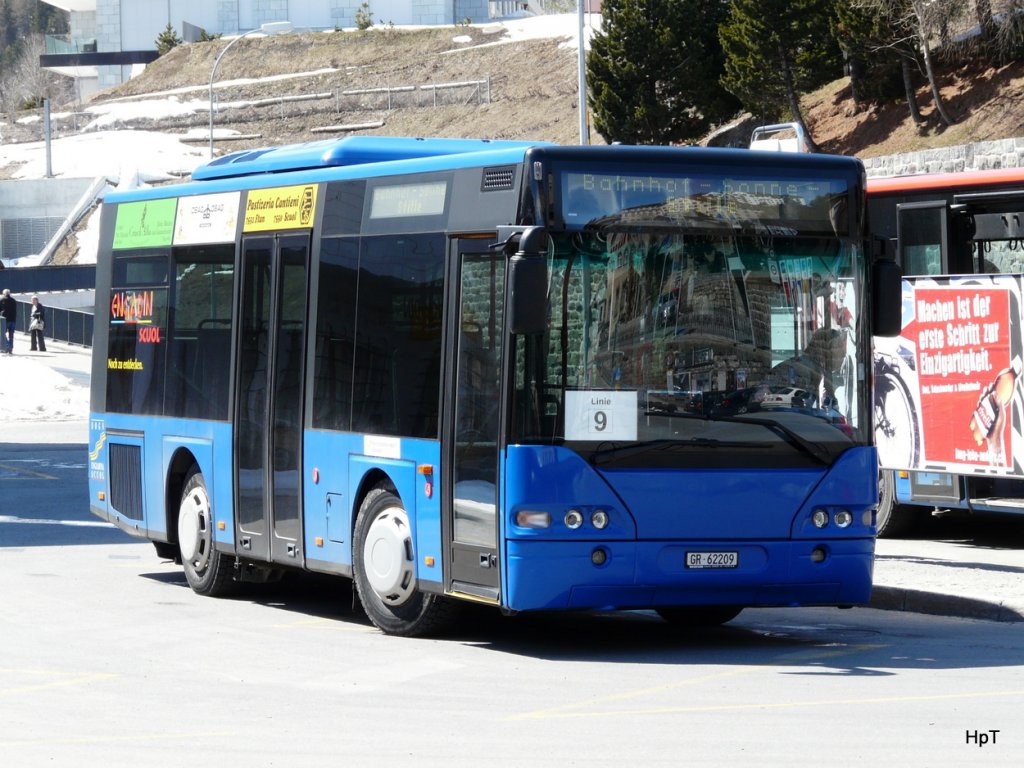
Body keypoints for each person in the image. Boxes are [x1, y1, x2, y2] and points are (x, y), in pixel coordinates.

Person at [0, 288, 16, 355]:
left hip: (5, 320)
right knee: (11, 335)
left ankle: (7, 346)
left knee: (2, 333)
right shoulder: (13, 300)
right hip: (13, 320)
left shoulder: (2, 300)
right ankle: (10, 348)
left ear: (4, 293)